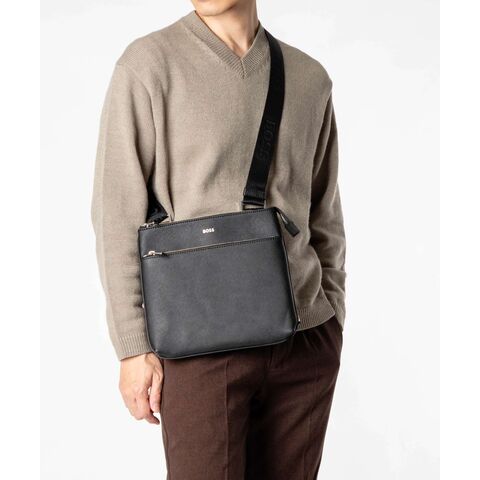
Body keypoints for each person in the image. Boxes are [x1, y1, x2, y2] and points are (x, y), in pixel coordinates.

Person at [91, 0, 346, 478]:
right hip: (199, 344)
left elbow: (324, 214)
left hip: (304, 343)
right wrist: (132, 345)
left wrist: (332, 316)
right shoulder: (148, 65)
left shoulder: (310, 77)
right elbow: (116, 213)